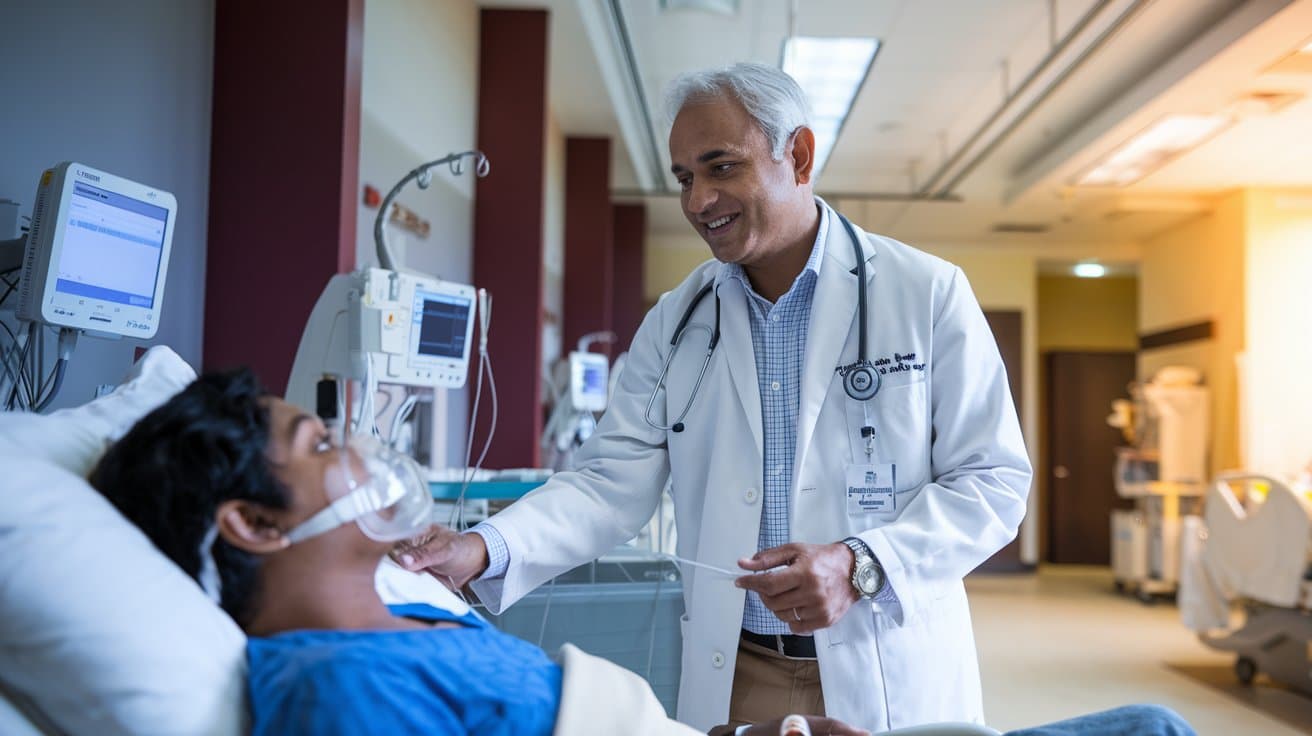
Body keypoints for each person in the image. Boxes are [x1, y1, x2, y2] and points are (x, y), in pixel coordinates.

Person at [398, 62, 1032, 732]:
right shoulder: (677, 322)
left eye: (721, 167)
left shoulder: (926, 293)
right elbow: (607, 483)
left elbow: (993, 482)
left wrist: (860, 564)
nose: (699, 199)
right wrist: (484, 546)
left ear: (800, 155)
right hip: (742, 670)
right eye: (683, 177)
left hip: (888, 659)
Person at [89, 369, 867, 736]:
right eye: (322, 443)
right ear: (255, 525)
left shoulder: (413, 622)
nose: (359, 451)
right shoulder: (338, 687)